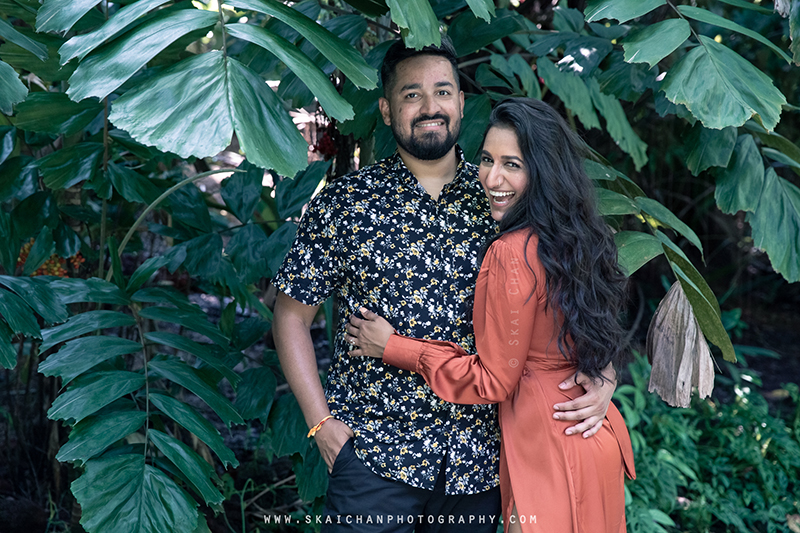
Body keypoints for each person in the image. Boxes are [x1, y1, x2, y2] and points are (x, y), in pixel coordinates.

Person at [272, 37, 618, 532]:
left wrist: (602, 372)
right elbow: (291, 316)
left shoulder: (504, 197)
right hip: (374, 455)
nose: (430, 107)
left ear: (460, 101)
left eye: (442, 91)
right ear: (386, 110)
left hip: (478, 463)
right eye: (412, 95)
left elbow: (574, 293)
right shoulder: (346, 204)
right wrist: (321, 425)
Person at [346, 98, 636, 532]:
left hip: (549, 447)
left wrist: (394, 347)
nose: (492, 178)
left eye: (512, 165)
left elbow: (493, 381)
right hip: (593, 436)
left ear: (543, 171)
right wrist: (605, 375)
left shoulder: (511, 253)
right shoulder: (577, 238)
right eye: (486, 160)